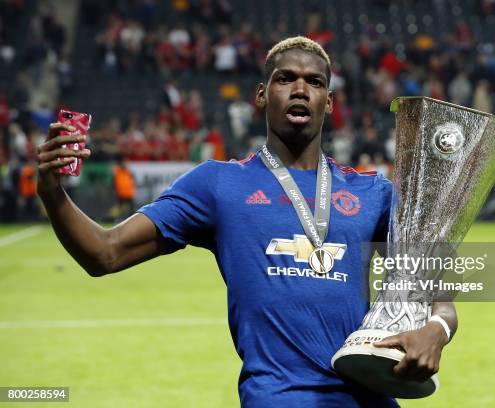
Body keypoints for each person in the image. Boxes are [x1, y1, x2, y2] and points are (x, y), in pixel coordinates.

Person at [36, 36, 457, 407]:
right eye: (284, 78)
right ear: (261, 95)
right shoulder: (218, 185)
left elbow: (438, 280)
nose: (299, 89)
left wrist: (437, 326)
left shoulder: (373, 194)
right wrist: (51, 192)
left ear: (328, 102)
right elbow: (104, 253)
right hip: (279, 398)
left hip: (368, 396)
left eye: (314, 82)